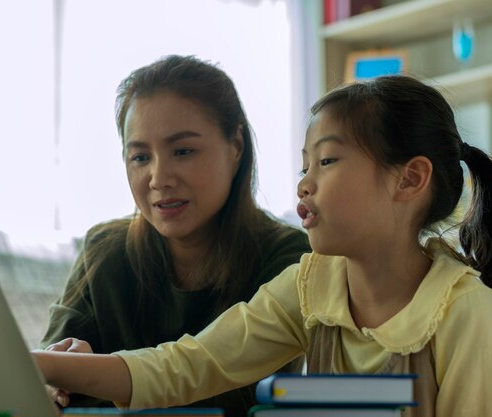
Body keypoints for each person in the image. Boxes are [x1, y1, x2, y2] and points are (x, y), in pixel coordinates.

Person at [34, 75, 492, 417]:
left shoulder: (465, 312)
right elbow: (189, 365)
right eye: (302, 167)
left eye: (327, 162)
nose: (304, 186)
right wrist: (35, 363)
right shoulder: (312, 286)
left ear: (410, 179)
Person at [39, 55, 311, 416]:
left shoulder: (291, 258)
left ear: (236, 146)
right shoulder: (105, 251)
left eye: (183, 151)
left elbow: (237, 402)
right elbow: (47, 378)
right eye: (139, 157)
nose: (159, 178)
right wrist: (53, 381)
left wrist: (92, 378)